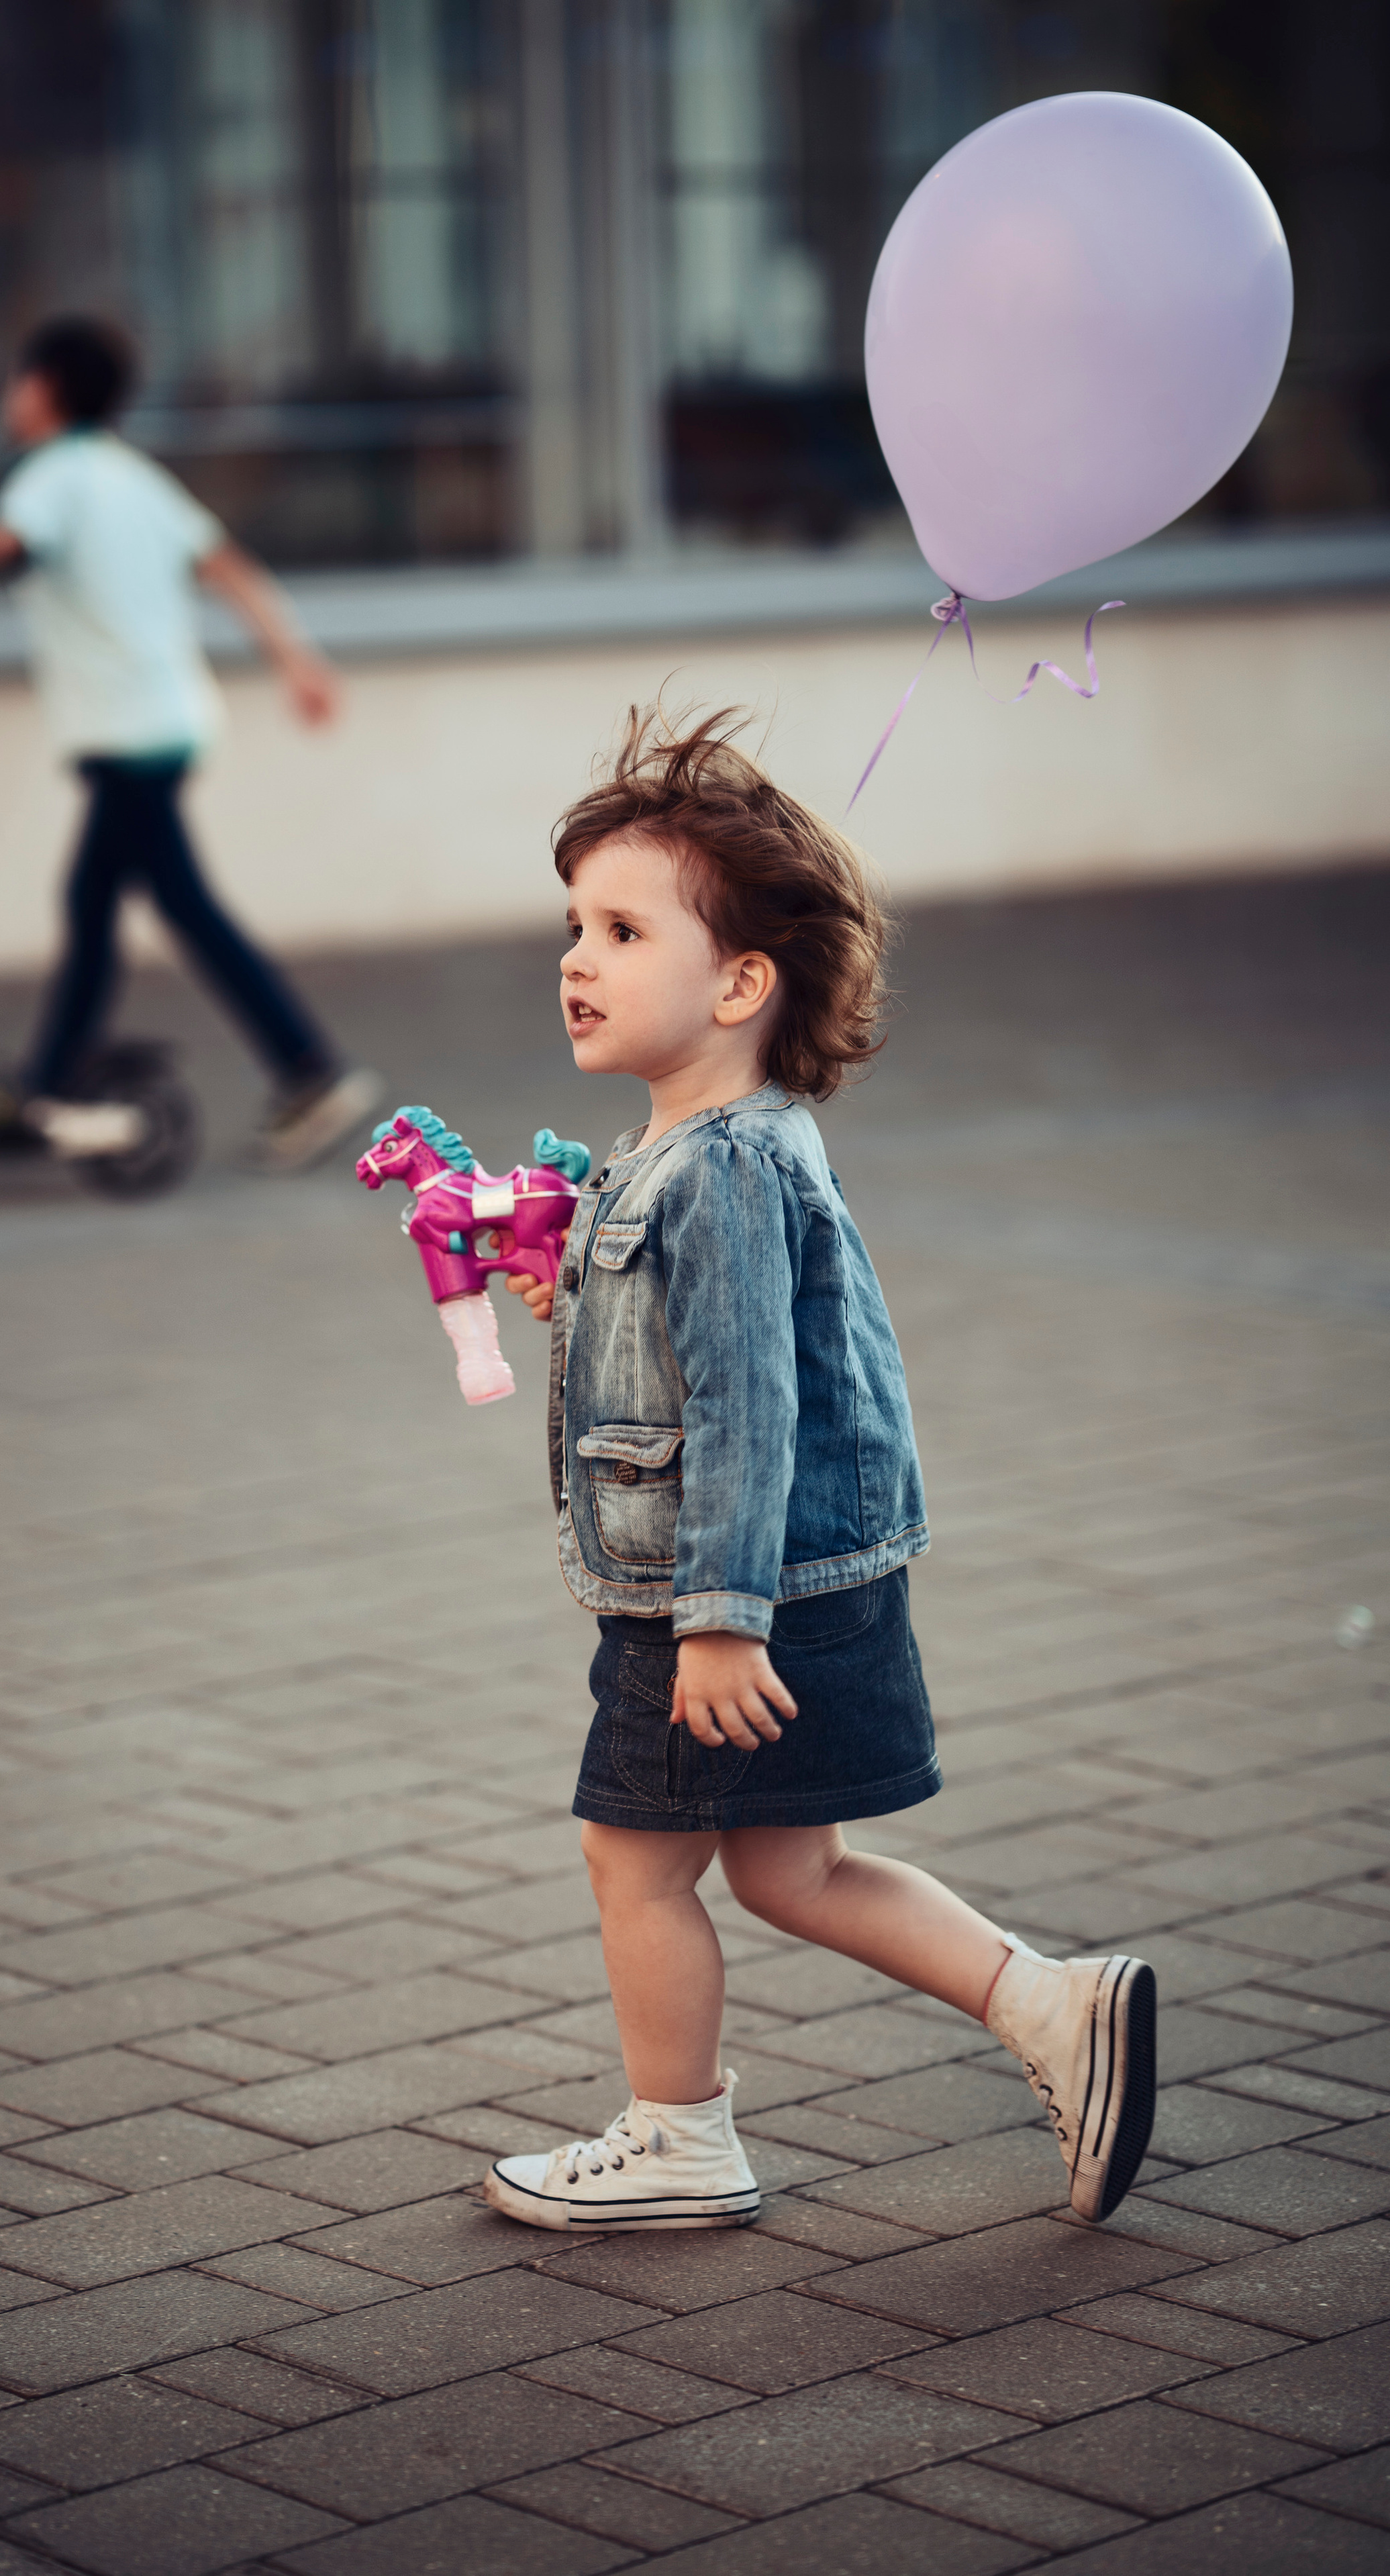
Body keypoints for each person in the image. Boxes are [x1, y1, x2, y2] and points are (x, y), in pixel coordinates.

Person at [483, 708, 1156, 2234]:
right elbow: (695, 1352)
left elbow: (746, 1403)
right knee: (788, 1868)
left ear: (737, 982)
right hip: (804, 1576)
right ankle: (1051, 2007)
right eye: (570, 925)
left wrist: (717, 1619)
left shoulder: (716, 1165)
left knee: (631, 1858)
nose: (576, 958)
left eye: (620, 927)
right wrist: (575, 1289)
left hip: (725, 1595)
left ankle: (676, 2138)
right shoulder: (705, 1142)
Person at [0, 314, 380, 1170]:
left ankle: (309, 1070)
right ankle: (48, 1079)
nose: (9, 396)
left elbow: (5, 541)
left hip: (130, 737)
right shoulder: (133, 477)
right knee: (100, 910)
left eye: (19, 378)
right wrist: (295, 658)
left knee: (168, 909)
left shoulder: (55, 474)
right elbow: (229, 564)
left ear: (47, 387)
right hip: (162, 726)